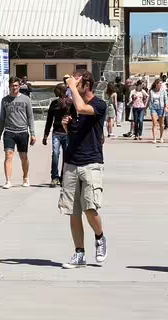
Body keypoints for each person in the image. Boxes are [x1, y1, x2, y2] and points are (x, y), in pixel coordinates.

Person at [58, 71, 108, 268]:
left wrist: (72, 86)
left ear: (86, 85)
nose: (72, 88)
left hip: (91, 162)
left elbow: (81, 106)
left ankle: (100, 236)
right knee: (73, 211)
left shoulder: (99, 105)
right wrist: (66, 127)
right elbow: (74, 133)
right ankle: (79, 253)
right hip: (71, 163)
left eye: (78, 84)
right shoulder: (73, 109)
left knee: (89, 207)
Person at [0, 76, 36, 188]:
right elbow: (2, 118)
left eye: (16, 85)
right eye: (12, 86)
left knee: (23, 156)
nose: (14, 87)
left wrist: (33, 133)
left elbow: (30, 117)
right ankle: (8, 181)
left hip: (23, 131)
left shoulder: (26, 99)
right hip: (9, 132)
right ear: (9, 86)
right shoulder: (5, 100)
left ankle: (26, 177)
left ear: (19, 86)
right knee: (8, 155)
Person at [43, 83, 71, 187]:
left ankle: (64, 177)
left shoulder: (70, 102)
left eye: (56, 90)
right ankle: (54, 177)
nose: (55, 91)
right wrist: (46, 135)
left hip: (67, 133)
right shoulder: (54, 103)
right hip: (56, 133)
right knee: (55, 154)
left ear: (61, 91)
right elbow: (49, 120)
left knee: (66, 156)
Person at [148, 78, 168, 144]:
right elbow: (149, 100)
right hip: (153, 107)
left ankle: (161, 137)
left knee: (161, 124)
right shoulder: (151, 91)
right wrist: (146, 108)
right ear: (156, 84)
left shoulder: (163, 91)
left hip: (161, 108)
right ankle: (154, 138)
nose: (161, 85)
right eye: (160, 83)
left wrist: (166, 107)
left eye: (161, 84)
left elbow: (166, 100)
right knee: (154, 123)